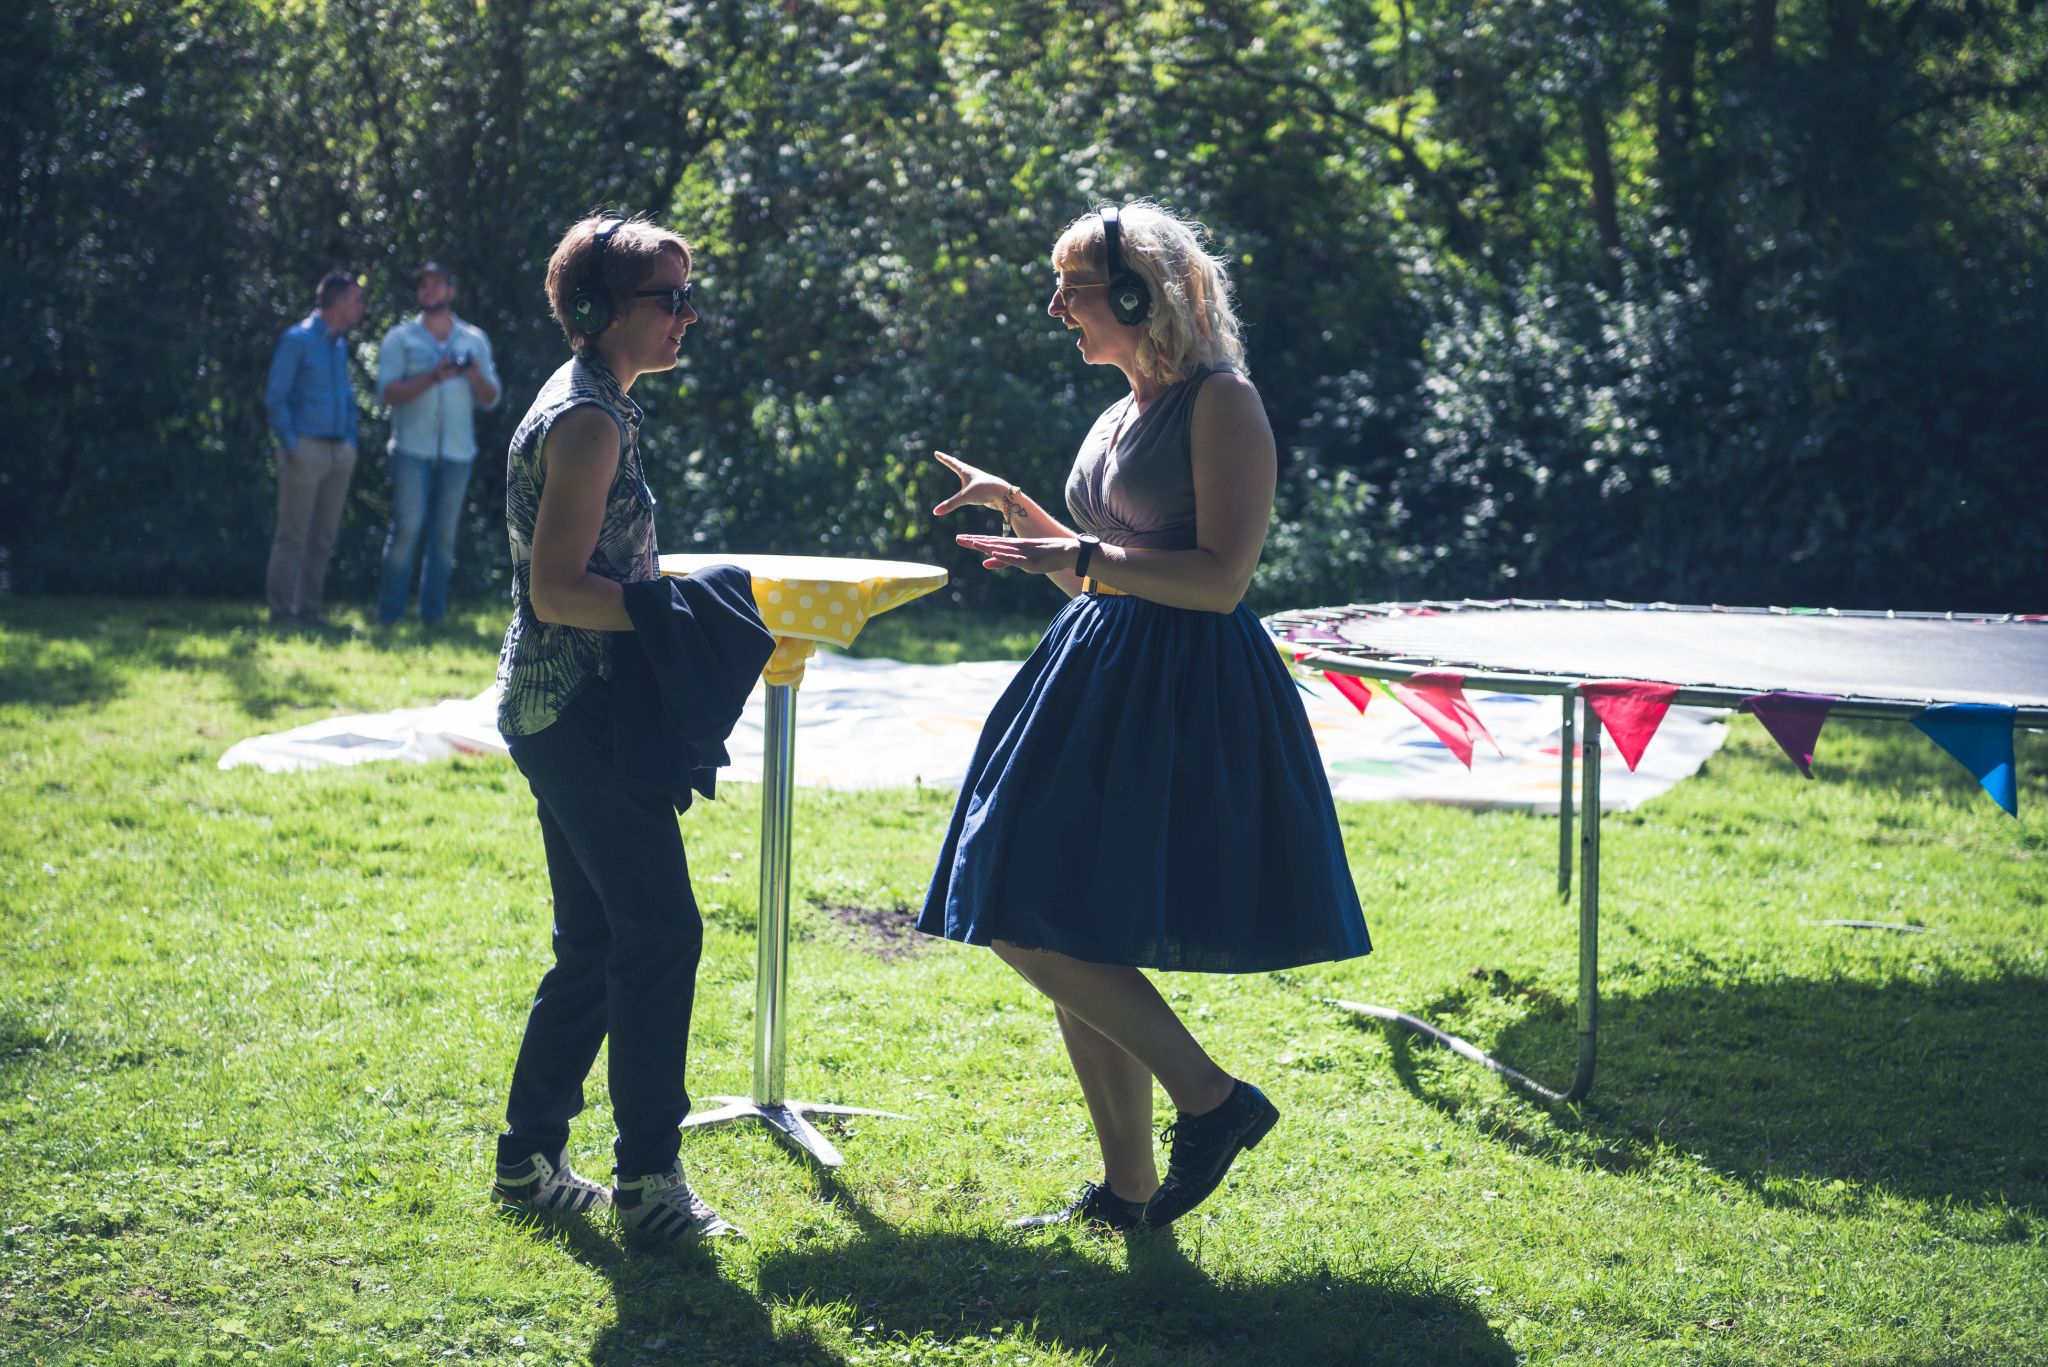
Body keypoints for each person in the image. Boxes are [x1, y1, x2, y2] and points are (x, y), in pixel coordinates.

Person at [919, 201, 1372, 1233]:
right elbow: (1094, 570)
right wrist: (1023, 512)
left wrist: (1079, 554)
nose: (1055, 308)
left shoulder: (1224, 402)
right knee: (1061, 916)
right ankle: (1127, 1191)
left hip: (1180, 689)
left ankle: (1211, 1099)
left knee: (1023, 909)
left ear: (1139, 296)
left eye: (1071, 290)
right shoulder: (1122, 408)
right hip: (1096, 671)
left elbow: (1219, 580)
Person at [487, 213, 755, 1247]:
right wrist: (675, 611)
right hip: (575, 710)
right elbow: (558, 590)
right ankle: (647, 1181)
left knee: (597, 938)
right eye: (667, 299)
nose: (687, 316)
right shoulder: (588, 419)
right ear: (599, 310)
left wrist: (663, 598)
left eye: (690, 296)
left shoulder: (600, 404)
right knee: (659, 931)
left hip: (559, 706)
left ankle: (527, 1160)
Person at [374, 261, 502, 626]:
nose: (428, 290)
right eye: (423, 285)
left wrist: (474, 375)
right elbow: (385, 393)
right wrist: (432, 377)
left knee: (444, 537)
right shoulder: (400, 338)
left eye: (435, 284)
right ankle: (390, 616)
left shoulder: (474, 340)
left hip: (458, 452)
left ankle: (433, 617)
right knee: (407, 529)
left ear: (451, 291)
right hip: (410, 449)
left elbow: (491, 398)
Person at [262, 270, 365, 625]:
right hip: (304, 449)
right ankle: (280, 611)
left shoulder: (338, 344)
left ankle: (308, 610)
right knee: (292, 535)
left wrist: (350, 442)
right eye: (356, 299)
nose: (361, 306)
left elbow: (345, 397)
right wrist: (291, 446)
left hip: (339, 451)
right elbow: (275, 397)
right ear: (338, 302)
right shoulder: (298, 340)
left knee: (323, 537)